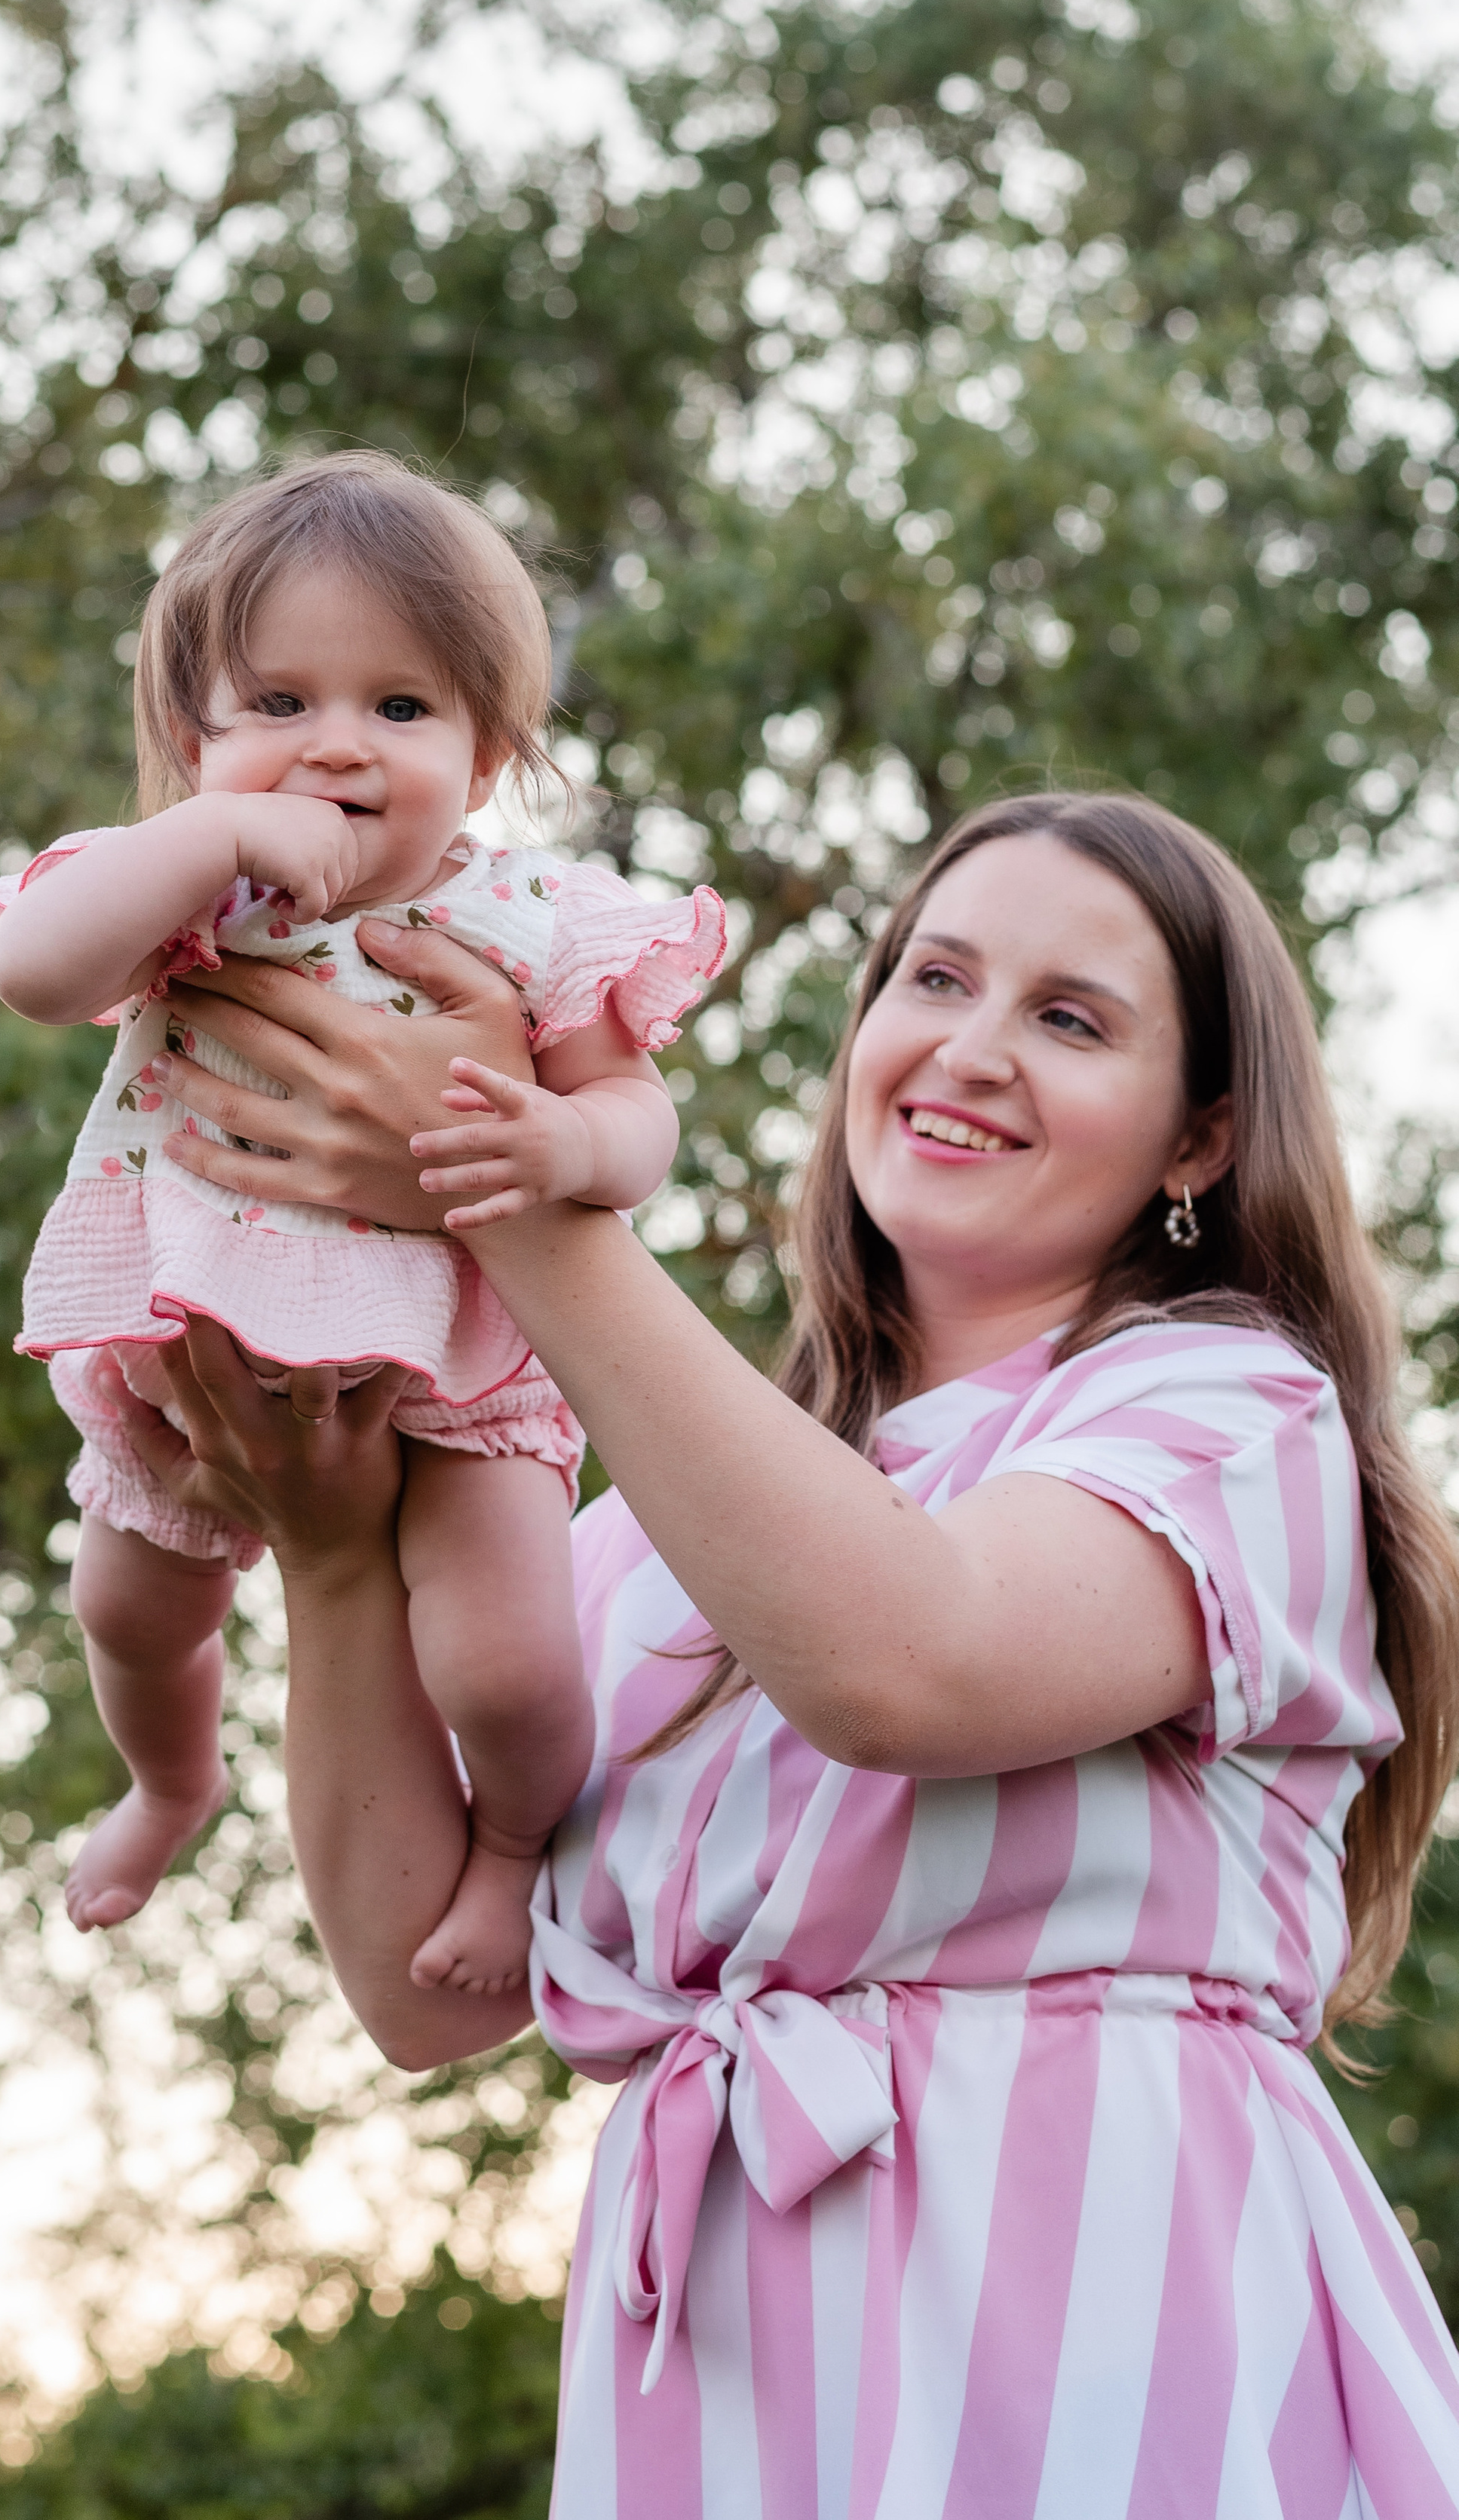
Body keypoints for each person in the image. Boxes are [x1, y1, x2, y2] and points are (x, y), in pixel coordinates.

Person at [90, 787, 1459, 2516]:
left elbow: (904, 1664)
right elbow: (414, 1987)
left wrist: (498, 1187)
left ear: (1195, 1140)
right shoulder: (648, 1539)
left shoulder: (1227, 1417)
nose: (967, 1050)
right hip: (729, 2390)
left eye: (1066, 1017)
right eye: (931, 981)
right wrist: (333, 1559)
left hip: (1106, 2348)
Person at [0, 452, 723, 1988]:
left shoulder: (535, 920)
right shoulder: (178, 888)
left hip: (456, 1370)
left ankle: (512, 1850)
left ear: (488, 749)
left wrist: (563, 1135)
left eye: (397, 708)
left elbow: (639, 1125)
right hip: (196, 1349)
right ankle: (172, 1784)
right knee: (122, 1603)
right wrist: (202, 839)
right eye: (276, 705)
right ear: (197, 737)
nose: (332, 750)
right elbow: (33, 974)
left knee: (503, 1662)